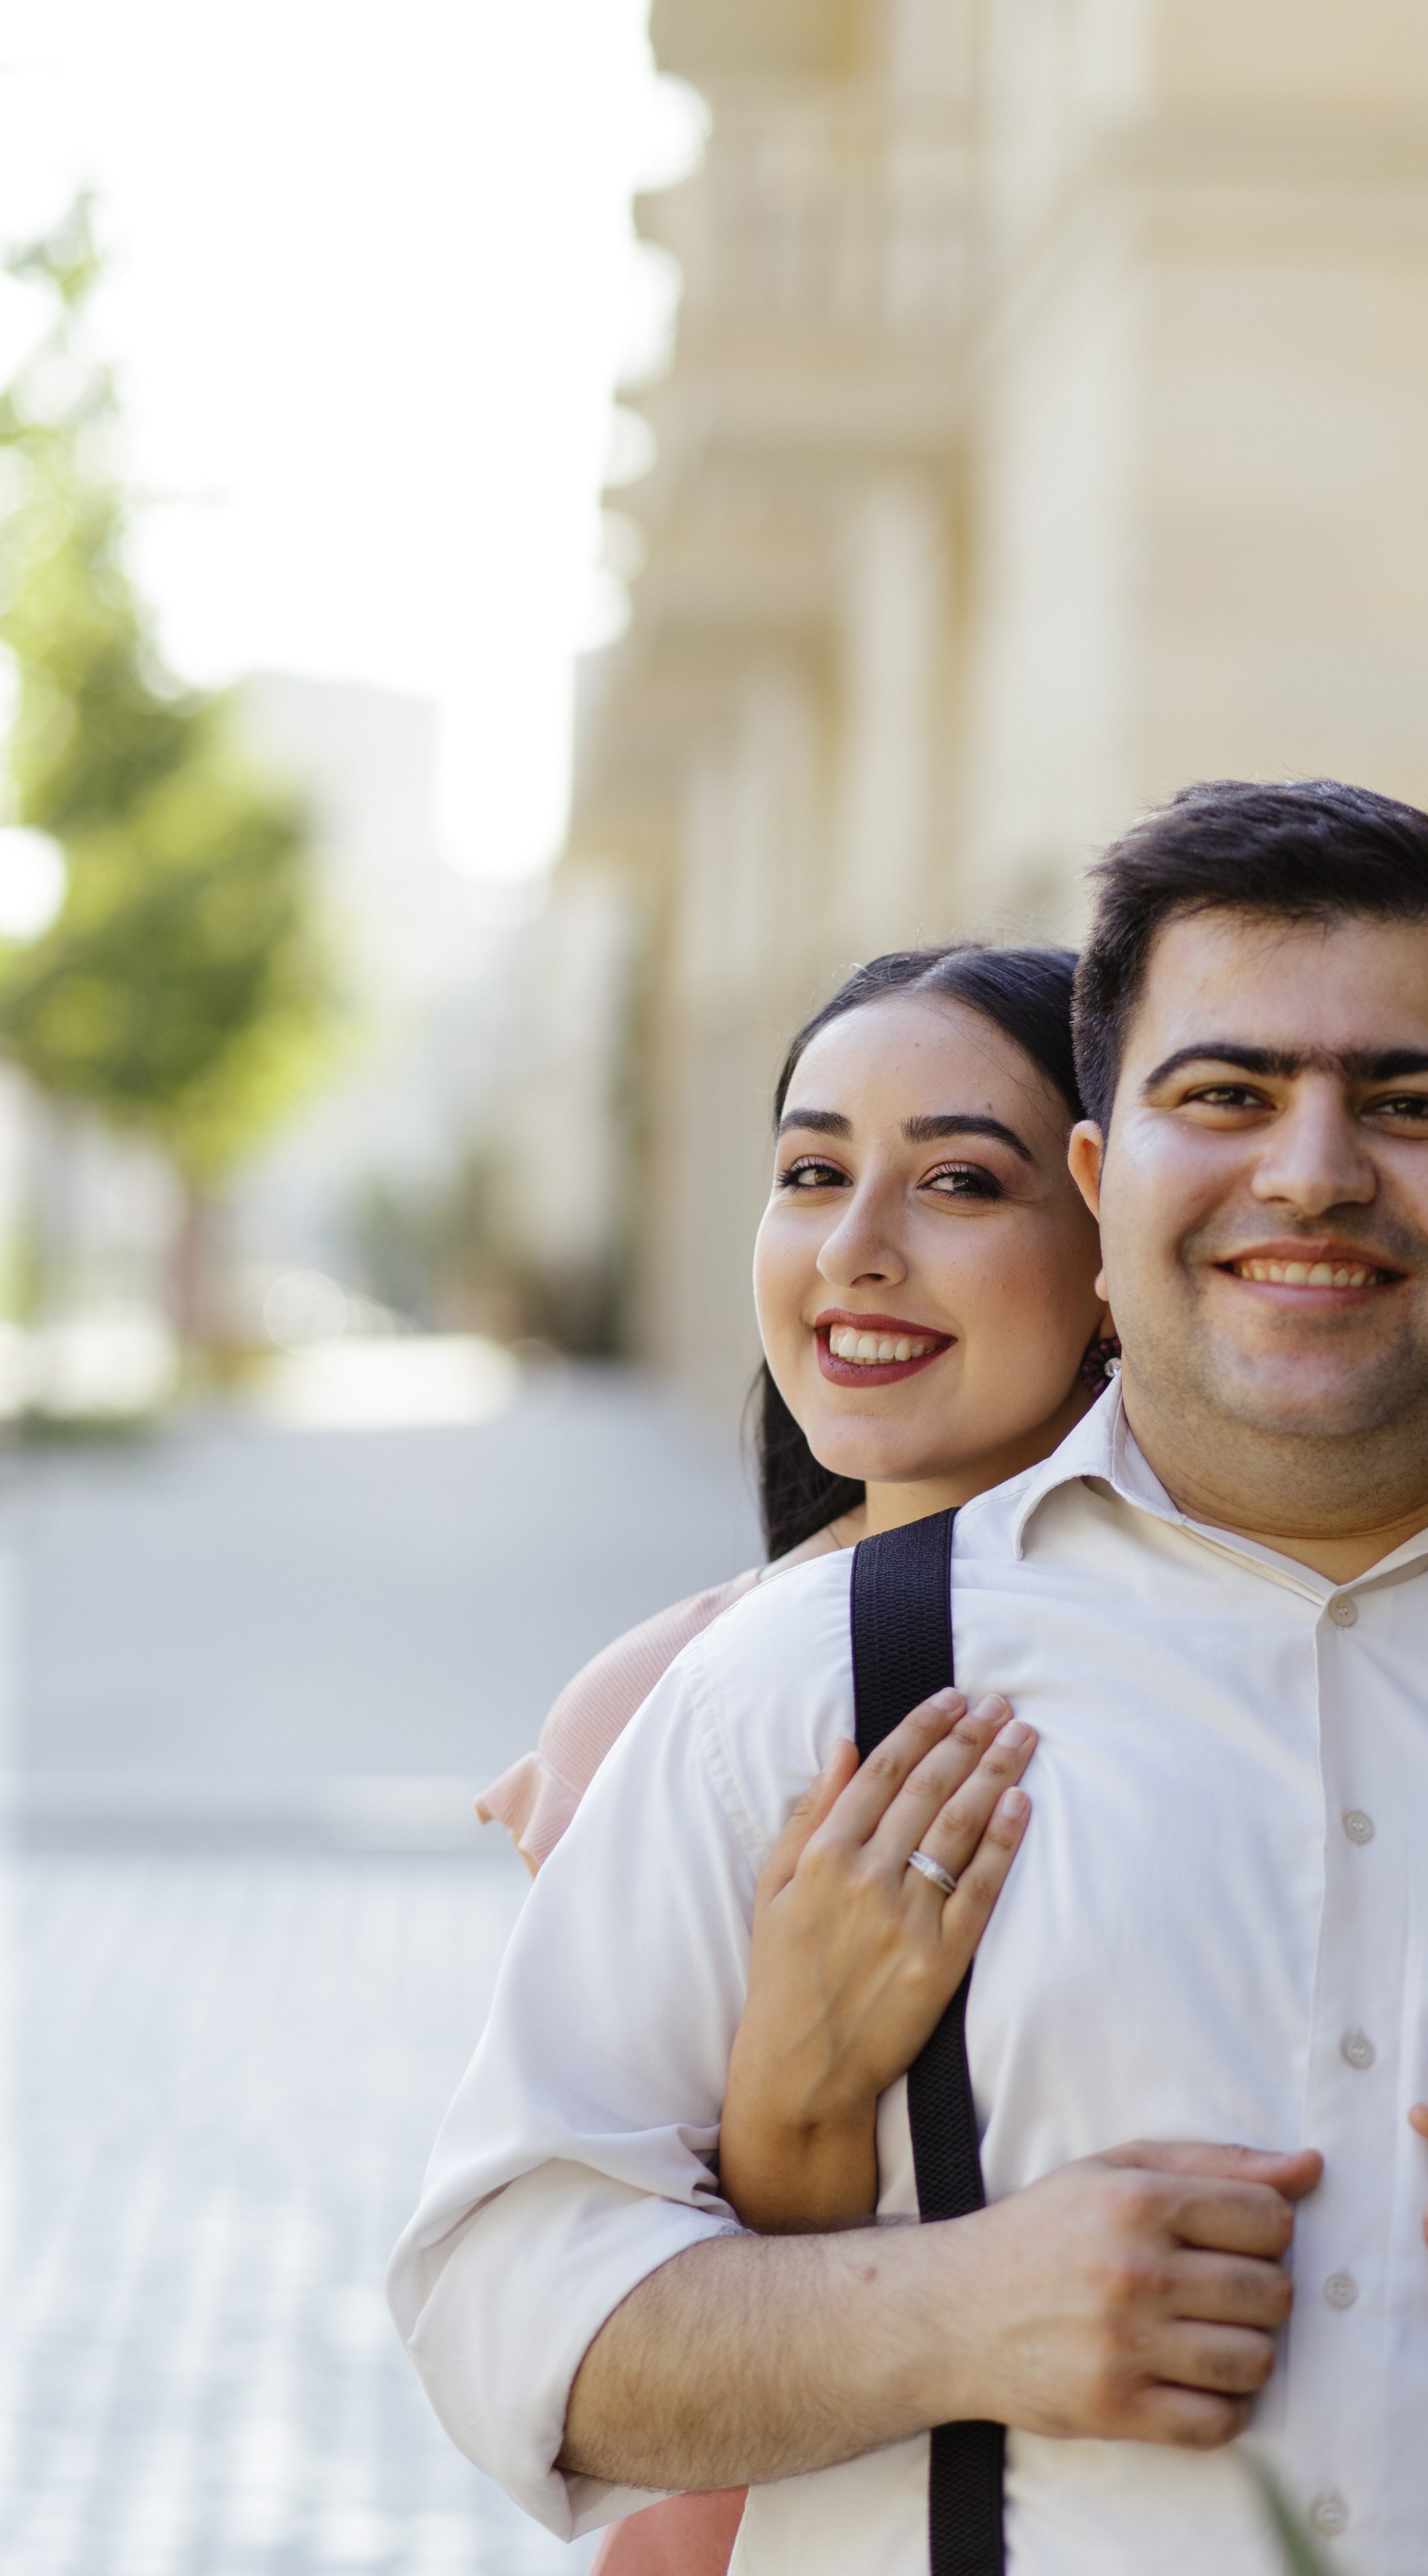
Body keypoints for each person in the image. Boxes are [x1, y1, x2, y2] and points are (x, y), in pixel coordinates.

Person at [392, 779, 1428, 2576]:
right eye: (1228, 1095)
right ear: (1109, 1181)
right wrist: (947, 2314)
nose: (1314, 1170)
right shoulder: (805, 1685)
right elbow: (504, 2321)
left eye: (1412, 1103)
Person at [475, 941, 1112, 2572]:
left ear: (1120, 1234)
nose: (853, 1250)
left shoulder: (1259, 1653)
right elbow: (604, 2304)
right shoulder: (673, 1701)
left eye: (959, 1181)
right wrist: (793, 2099)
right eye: (810, 1173)